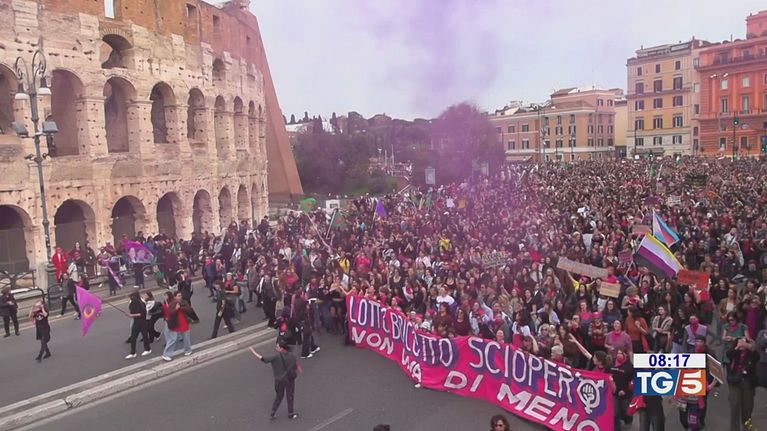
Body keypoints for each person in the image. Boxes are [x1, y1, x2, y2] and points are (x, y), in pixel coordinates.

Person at [250, 343, 300, 420]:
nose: (276, 347)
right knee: (290, 396)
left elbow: (264, 359)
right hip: (289, 379)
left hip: (279, 380)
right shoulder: (292, 356)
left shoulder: (275, 357)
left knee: (279, 396)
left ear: (281, 348)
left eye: (277, 347)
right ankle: (291, 413)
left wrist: (253, 351)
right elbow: (295, 367)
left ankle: (273, 412)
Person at [725, 337, 759, 431]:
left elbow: (757, 356)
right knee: (735, 405)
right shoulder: (734, 352)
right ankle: (734, 429)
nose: (742, 344)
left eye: (744, 342)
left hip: (748, 382)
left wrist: (748, 346)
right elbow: (728, 354)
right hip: (734, 381)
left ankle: (747, 427)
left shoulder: (752, 354)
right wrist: (737, 347)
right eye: (739, 342)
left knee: (747, 407)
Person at [162, 291, 193, 361]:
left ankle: (188, 350)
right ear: (175, 297)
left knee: (186, 338)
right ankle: (167, 354)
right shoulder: (172, 304)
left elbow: (189, 310)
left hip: (184, 322)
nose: (180, 297)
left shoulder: (184, 302)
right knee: (173, 339)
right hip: (175, 323)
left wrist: (181, 308)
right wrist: (176, 309)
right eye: (178, 296)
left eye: (180, 295)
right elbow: (170, 313)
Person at [125, 291, 151, 359]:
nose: (131, 299)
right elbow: (132, 312)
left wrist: (131, 315)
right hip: (136, 322)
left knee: (145, 336)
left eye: (132, 297)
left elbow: (141, 314)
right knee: (133, 337)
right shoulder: (132, 304)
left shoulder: (141, 304)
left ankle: (148, 349)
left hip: (143, 322)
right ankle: (133, 352)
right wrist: (130, 315)